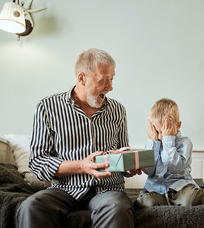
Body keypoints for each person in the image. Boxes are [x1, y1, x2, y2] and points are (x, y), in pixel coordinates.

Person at [16, 48, 142, 228]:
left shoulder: (118, 110)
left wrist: (131, 165)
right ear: (82, 78)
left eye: (112, 79)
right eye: (103, 80)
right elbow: (37, 162)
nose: (110, 87)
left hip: (108, 190)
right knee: (31, 206)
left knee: (118, 208)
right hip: (64, 189)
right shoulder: (47, 107)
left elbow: (121, 155)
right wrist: (82, 165)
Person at [134, 98, 204, 208]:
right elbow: (150, 172)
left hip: (180, 189)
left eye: (165, 131)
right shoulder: (153, 142)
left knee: (192, 198)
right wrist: (153, 144)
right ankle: (164, 201)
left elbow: (175, 168)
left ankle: (201, 195)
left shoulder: (185, 143)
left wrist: (168, 140)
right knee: (145, 203)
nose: (160, 136)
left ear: (178, 125)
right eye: (157, 131)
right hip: (156, 190)